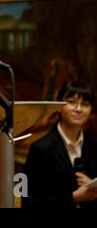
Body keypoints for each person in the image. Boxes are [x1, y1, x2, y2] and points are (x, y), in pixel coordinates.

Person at [22, 80, 97, 208]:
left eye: (85, 104)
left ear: (91, 110)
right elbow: (29, 202)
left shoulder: (94, 145)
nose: (78, 109)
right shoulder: (40, 148)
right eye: (72, 102)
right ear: (59, 106)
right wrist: (74, 197)